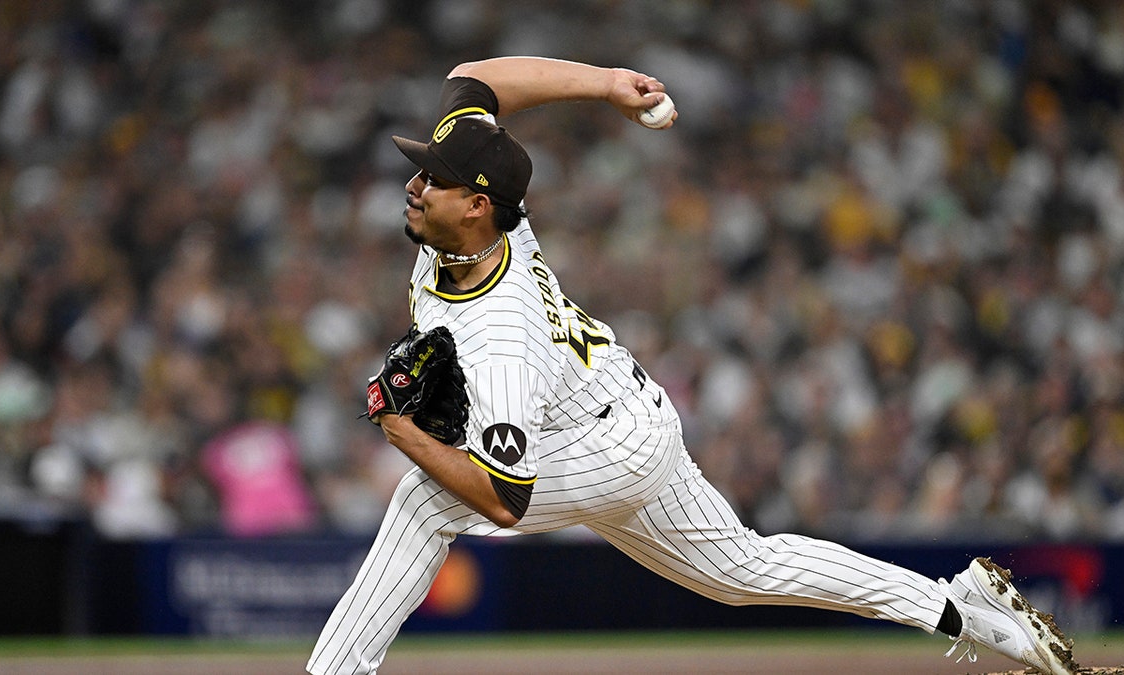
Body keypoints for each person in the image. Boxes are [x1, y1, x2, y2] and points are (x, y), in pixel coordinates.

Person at [307, 57, 1076, 675]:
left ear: (478, 205)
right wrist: (606, 82)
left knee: (424, 498)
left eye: (432, 178)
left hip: (602, 443)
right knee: (745, 569)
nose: (414, 183)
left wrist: (399, 426)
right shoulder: (479, 217)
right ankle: (963, 608)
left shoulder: (501, 334)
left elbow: (507, 499)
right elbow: (474, 79)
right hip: (625, 407)